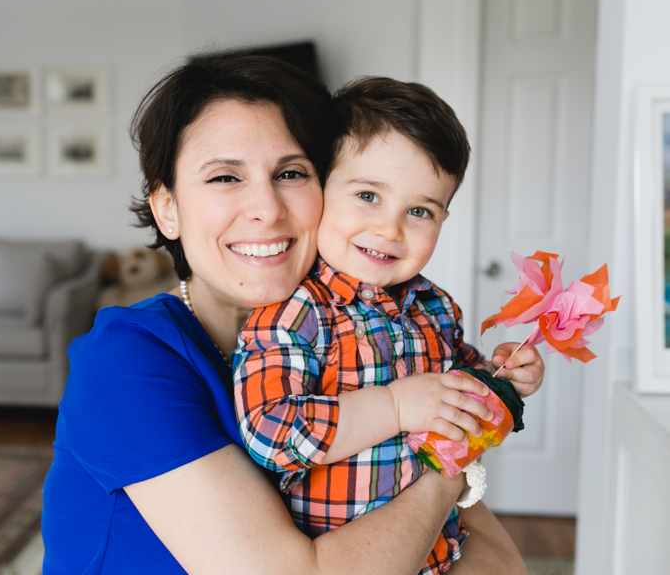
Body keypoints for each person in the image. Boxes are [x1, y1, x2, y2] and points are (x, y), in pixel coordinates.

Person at [41, 55, 540, 575]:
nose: (268, 208)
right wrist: (450, 466)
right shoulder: (125, 361)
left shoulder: (371, 331)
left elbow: (502, 562)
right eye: (225, 177)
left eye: (291, 172)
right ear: (167, 208)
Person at [232, 76, 544, 574]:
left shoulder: (434, 305)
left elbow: (459, 393)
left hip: (438, 551)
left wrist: (503, 373)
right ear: (321, 189)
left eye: (419, 210)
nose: (390, 228)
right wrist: (397, 406)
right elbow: (273, 433)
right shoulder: (298, 310)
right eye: (368, 196)